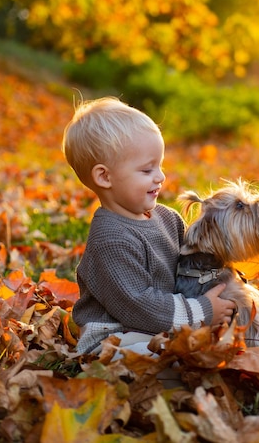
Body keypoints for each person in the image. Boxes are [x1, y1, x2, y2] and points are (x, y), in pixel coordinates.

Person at [62, 96, 236, 355]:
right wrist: (203, 311)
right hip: (115, 335)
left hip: (163, 324)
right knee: (160, 356)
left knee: (201, 347)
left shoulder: (168, 218)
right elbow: (138, 306)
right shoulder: (110, 240)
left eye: (160, 166)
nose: (161, 177)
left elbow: (189, 268)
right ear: (104, 177)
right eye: (146, 170)